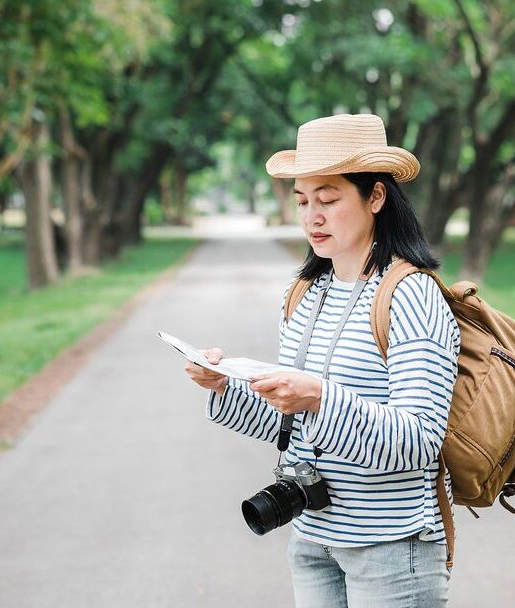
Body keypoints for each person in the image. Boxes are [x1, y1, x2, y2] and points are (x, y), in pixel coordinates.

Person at [184, 113, 460, 607]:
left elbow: (420, 440)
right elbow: (296, 426)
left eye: (329, 199)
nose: (312, 216)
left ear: (375, 197)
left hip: (391, 548)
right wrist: (225, 386)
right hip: (313, 536)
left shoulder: (410, 295)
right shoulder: (306, 294)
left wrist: (319, 396)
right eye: (303, 200)